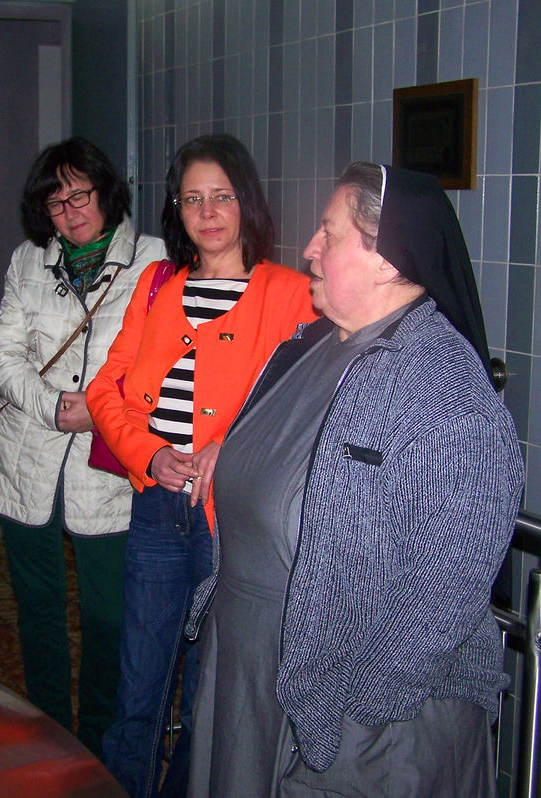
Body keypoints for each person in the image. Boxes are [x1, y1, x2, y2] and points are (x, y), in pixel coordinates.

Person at [185, 162, 523, 796]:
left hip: (363, 729)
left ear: (387, 262)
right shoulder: (313, 343)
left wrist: (345, 707)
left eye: (329, 233)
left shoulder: (446, 395)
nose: (310, 248)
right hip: (253, 672)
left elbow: (446, 593)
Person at [87, 134, 316, 797]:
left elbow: (305, 407)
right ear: (176, 210)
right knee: (139, 686)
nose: (208, 212)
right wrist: (149, 454)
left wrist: (232, 445)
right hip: (158, 508)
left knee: (208, 700)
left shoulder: (292, 294)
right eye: (192, 199)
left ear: (247, 203)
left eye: (222, 196)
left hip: (234, 522)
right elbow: (105, 390)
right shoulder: (158, 284)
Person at [0, 137, 167, 756]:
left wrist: (104, 406)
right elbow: (1, 351)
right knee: (38, 608)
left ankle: (99, 743)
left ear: (106, 191)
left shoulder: (156, 260)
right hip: (26, 456)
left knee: (109, 616)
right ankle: (51, 733)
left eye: (79, 195)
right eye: (55, 203)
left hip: (109, 466)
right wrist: (54, 404)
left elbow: (167, 360)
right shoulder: (29, 259)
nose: (69, 211)